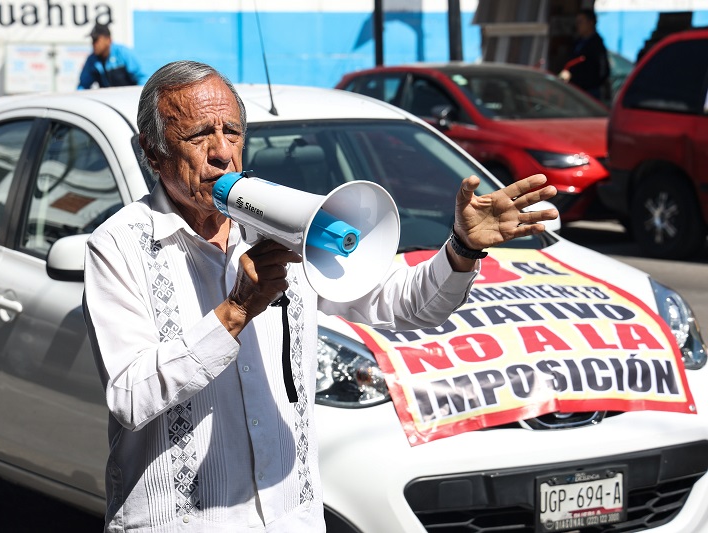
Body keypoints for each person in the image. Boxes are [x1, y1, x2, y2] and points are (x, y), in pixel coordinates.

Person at [82, 60, 558, 532]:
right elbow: (131, 396)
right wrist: (235, 312)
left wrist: (461, 247)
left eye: (232, 132)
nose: (222, 153)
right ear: (153, 151)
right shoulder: (117, 246)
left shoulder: (280, 223)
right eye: (198, 136)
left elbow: (405, 303)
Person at [559, 9, 611, 101]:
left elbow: (603, 70)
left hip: (589, 91)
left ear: (590, 23)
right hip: (575, 88)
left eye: (580, 22)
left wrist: (592, 84)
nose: (577, 26)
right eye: (577, 22)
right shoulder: (577, 42)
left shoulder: (596, 45)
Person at [78, 23, 148, 90]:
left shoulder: (123, 53)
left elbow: (143, 78)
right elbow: (83, 86)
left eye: (96, 40)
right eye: (93, 40)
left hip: (129, 100)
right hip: (108, 100)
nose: (93, 44)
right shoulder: (92, 60)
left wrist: (139, 99)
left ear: (108, 40)